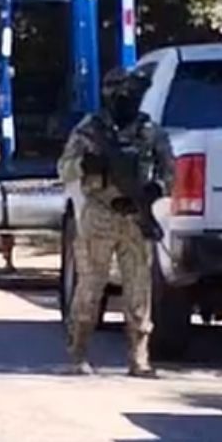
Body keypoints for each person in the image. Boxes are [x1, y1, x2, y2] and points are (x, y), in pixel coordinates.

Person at [58, 67, 174, 377]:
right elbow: (64, 168)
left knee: (139, 289)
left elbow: (169, 171)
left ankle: (139, 359)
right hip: (100, 213)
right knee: (90, 286)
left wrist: (156, 189)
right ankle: (78, 353)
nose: (127, 100)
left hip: (136, 216)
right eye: (121, 93)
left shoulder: (150, 132)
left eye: (133, 94)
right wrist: (86, 164)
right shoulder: (90, 131)